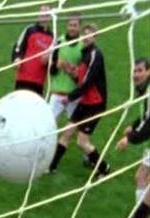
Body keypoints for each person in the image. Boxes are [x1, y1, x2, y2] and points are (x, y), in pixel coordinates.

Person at [48, 24, 110, 180]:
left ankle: (104, 169)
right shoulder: (85, 53)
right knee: (66, 133)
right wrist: (69, 70)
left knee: (82, 142)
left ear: (96, 37)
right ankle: (51, 167)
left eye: (90, 35)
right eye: (85, 34)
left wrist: (69, 98)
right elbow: (81, 79)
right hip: (85, 102)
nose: (87, 37)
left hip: (95, 104)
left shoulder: (96, 55)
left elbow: (87, 83)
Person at [116, 58, 150, 218]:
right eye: (134, 70)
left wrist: (130, 138)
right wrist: (134, 125)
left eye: (140, 70)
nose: (135, 74)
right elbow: (146, 116)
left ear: (149, 72)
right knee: (141, 178)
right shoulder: (144, 90)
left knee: (149, 190)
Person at [11, 5, 54, 95]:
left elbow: (53, 63)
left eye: (46, 14)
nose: (43, 16)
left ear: (50, 17)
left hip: (39, 82)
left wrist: (48, 60)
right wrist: (16, 59)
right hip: (23, 78)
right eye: (42, 13)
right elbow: (17, 47)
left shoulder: (52, 37)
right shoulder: (30, 30)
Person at [48, 14, 83, 120]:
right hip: (57, 94)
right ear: (67, 26)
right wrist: (56, 65)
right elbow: (51, 71)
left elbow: (84, 74)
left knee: (77, 128)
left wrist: (69, 68)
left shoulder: (83, 45)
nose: (72, 28)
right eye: (70, 25)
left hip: (74, 96)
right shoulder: (59, 42)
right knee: (48, 124)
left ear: (80, 27)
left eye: (75, 25)